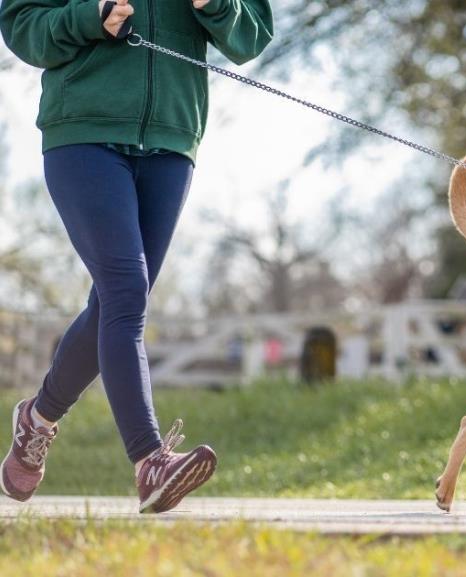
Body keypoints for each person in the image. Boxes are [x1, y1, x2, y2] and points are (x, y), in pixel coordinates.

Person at [0, 0, 273, 513]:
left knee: (113, 303)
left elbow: (252, 34)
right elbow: (22, 26)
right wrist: (88, 17)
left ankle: (36, 420)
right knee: (126, 292)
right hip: (82, 134)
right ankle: (151, 461)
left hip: (172, 141)